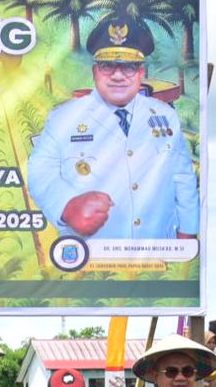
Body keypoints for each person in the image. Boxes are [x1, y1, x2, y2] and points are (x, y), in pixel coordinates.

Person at [25, 16, 199, 240]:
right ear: (95, 71)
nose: (118, 75)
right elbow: (40, 172)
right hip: (93, 257)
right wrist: (65, 206)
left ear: (141, 73)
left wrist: (188, 232)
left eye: (128, 66)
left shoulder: (165, 115)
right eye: (108, 66)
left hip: (157, 253)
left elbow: (182, 177)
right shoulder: (63, 118)